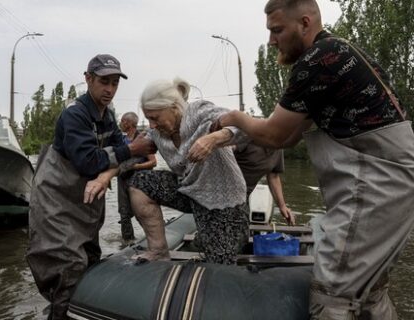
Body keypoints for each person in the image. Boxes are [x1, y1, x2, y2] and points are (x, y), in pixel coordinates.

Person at [209, 0, 414, 318]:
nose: (271, 41)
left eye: (277, 30)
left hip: (377, 187)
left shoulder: (318, 60)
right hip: (399, 183)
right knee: (370, 287)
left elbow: (275, 137)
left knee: (332, 293)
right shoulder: (337, 52)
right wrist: (241, 131)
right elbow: (293, 135)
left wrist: (234, 118)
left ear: (305, 23)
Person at [26, 54, 155, 320]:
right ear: (88, 79)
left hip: (84, 199)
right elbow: (88, 161)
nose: (109, 89)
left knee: (90, 258)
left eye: (115, 83)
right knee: (67, 267)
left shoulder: (107, 115)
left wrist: (113, 168)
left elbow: (120, 153)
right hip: (56, 200)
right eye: (103, 82)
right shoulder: (75, 114)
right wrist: (130, 149)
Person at [127, 77, 250, 265]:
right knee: (140, 182)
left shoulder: (199, 112)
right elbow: (131, 152)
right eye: (148, 118)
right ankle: (158, 251)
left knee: (219, 265)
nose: (151, 125)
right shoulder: (157, 133)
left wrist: (214, 138)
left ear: (174, 107)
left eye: (154, 118)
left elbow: (245, 128)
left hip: (223, 201)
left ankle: (213, 238)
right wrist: (104, 177)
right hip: (189, 192)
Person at [116, 112, 157, 246]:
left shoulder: (143, 139)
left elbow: (153, 162)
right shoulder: (121, 140)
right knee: (124, 214)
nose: (121, 123)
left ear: (129, 123)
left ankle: (154, 240)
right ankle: (127, 243)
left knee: (142, 213)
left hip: (138, 181)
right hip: (122, 180)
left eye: (122, 121)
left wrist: (136, 166)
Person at [233, 142, 295, 225]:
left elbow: (273, 176)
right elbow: (224, 148)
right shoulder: (247, 136)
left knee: (242, 230)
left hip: (243, 197)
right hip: (222, 192)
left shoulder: (278, 149)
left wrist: (282, 206)